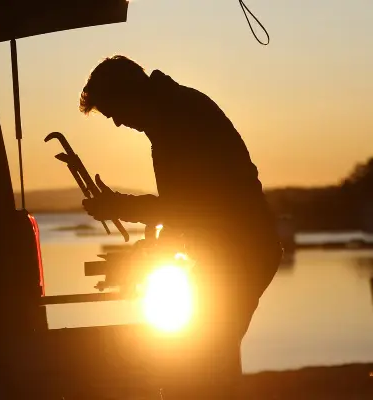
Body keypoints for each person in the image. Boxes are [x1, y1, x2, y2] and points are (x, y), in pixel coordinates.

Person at [78, 55, 282, 398]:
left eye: (114, 112)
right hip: (231, 255)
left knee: (195, 371)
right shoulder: (169, 116)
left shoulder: (181, 119)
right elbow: (185, 208)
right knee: (196, 369)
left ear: (129, 93)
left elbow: (188, 207)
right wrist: (153, 245)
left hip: (242, 255)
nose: (116, 124)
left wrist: (121, 206)